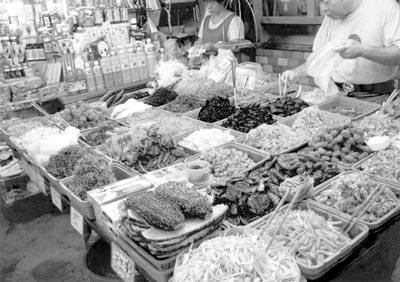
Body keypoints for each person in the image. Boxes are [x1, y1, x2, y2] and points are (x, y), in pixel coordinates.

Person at [283, 0, 400, 103]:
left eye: (326, 1)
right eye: (319, 2)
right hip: (335, 96)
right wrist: (296, 72)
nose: (323, 9)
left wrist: (363, 51)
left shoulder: (385, 7)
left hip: (375, 97)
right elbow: (319, 57)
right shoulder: (331, 17)